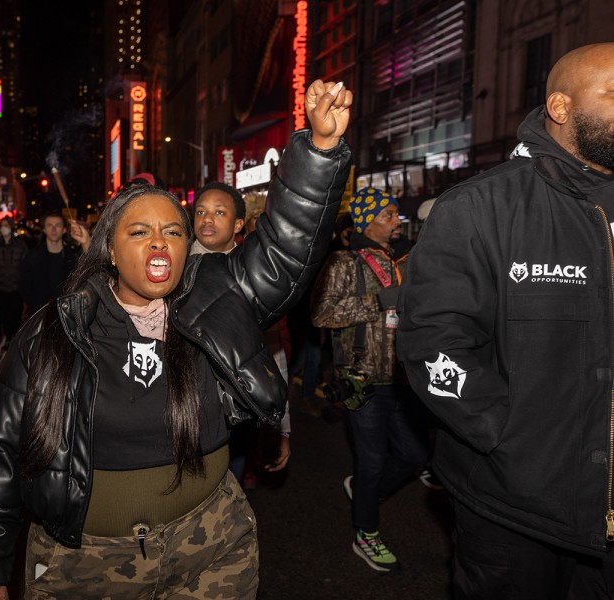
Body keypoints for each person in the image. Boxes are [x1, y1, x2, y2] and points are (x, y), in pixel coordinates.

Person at [0, 78, 352, 600]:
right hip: (86, 562)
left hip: (212, 546)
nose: (159, 241)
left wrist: (319, 150)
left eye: (174, 231)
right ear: (110, 250)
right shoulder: (55, 330)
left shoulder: (218, 297)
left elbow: (286, 251)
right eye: (139, 232)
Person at [397, 42, 614, 599]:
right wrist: (504, 434)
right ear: (561, 107)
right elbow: (432, 344)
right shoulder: (478, 209)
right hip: (515, 509)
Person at [310, 186, 428, 572]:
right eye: (388, 215)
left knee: (414, 455)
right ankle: (365, 531)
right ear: (366, 221)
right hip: (362, 379)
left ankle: (363, 489)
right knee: (373, 460)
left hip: (402, 377)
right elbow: (322, 314)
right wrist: (377, 301)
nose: (397, 221)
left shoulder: (402, 258)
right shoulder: (344, 263)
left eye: (397, 214)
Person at [190, 181, 292, 486]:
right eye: (200, 212)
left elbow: (273, 359)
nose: (207, 219)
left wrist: (282, 427)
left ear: (237, 223)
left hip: (238, 414)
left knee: (227, 505)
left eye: (219, 212)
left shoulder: (256, 279)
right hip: (186, 414)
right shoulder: (172, 272)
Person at [20, 211, 91, 315]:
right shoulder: (32, 257)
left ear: (64, 230)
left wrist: (86, 241)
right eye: (49, 225)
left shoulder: (73, 257)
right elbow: (24, 285)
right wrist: (36, 306)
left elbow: (89, 275)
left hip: (67, 315)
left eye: (58, 225)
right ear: (44, 230)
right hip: (39, 313)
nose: (53, 229)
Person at [0, 217, 29, 345]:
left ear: (11, 227)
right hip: (0, 286)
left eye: (6, 225)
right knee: (4, 313)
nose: (4, 227)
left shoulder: (21, 245)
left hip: (16, 286)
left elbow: (26, 266)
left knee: (16, 313)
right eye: (2, 225)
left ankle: (16, 337)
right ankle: (8, 337)